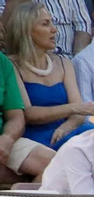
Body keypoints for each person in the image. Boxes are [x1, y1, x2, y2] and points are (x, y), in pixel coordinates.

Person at [10, 2, 94, 148]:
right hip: (35, 138)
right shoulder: (12, 65)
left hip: (65, 132)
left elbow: (79, 115)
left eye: (53, 23)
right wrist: (74, 108)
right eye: (45, 24)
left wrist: (65, 128)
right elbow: (29, 114)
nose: (54, 30)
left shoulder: (64, 64)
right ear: (26, 29)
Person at [0, 49, 54, 177]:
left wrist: (7, 139)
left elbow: (16, 117)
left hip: (2, 138)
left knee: (56, 165)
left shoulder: (3, 62)